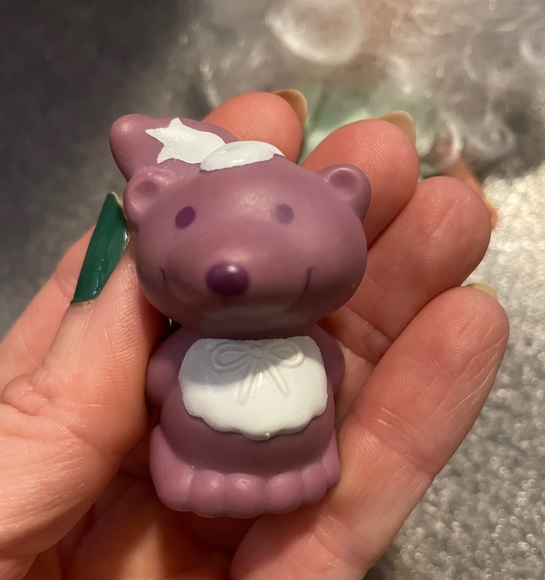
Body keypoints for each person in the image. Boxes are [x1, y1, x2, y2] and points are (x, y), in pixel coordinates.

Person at [0, 92, 509, 579]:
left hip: (304, 459)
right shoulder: (193, 339)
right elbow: (160, 380)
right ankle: (199, 468)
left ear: (343, 195)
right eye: (189, 220)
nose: (235, 266)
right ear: (146, 203)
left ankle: (305, 466)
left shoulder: (311, 333)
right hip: (188, 464)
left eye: (285, 216)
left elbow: (329, 369)